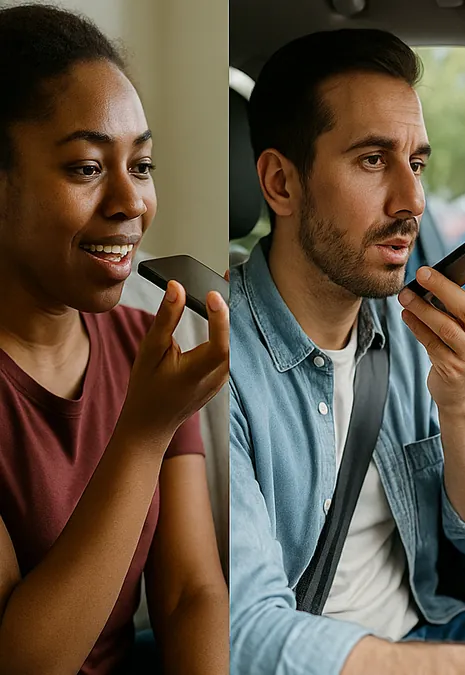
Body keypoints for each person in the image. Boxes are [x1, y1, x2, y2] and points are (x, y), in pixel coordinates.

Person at [228, 29, 465, 675]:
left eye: (416, 163)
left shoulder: (407, 328)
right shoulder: (212, 360)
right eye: (372, 160)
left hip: (428, 629)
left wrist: (462, 392)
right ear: (281, 182)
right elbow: (244, 636)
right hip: (319, 662)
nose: (412, 200)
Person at [0, 5, 231, 674]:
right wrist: (142, 431)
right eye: (85, 168)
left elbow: (191, 591)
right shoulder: (153, 388)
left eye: (144, 163)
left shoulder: (145, 344)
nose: (131, 201)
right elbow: (25, 662)